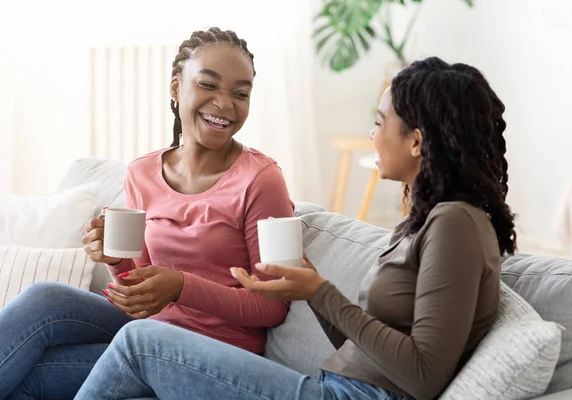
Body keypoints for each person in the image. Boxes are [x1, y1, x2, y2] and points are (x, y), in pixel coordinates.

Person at [74, 56, 517, 400]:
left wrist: (319, 293)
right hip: (339, 385)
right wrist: (311, 287)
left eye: (380, 122)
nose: (371, 134)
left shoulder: (455, 222)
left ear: (417, 140)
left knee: (140, 342)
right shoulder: (427, 222)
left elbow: (423, 375)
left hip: (351, 395)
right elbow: (368, 346)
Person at [0, 27, 294, 400]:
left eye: (240, 93)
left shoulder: (263, 180)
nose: (224, 104)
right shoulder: (141, 172)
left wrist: (182, 286)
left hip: (212, 352)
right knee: (45, 299)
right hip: (144, 330)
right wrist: (115, 259)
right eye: (208, 85)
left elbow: (276, 305)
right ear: (176, 88)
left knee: (32, 378)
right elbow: (138, 288)